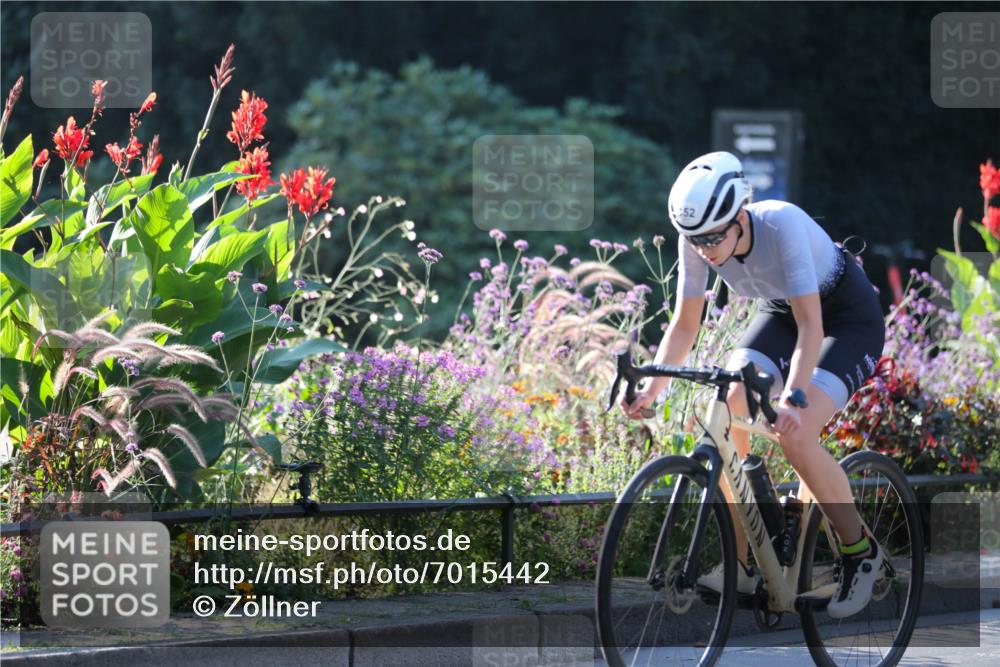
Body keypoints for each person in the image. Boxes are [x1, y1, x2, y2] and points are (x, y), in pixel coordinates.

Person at [622, 151, 886, 618]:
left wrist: (793, 397)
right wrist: (652, 389)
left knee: (798, 434)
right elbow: (685, 325)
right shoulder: (698, 237)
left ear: (740, 216)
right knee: (730, 404)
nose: (703, 248)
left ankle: (860, 553)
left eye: (712, 237)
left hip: (844, 321)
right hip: (780, 314)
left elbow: (811, 327)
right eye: (694, 238)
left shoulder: (781, 225)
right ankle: (743, 561)